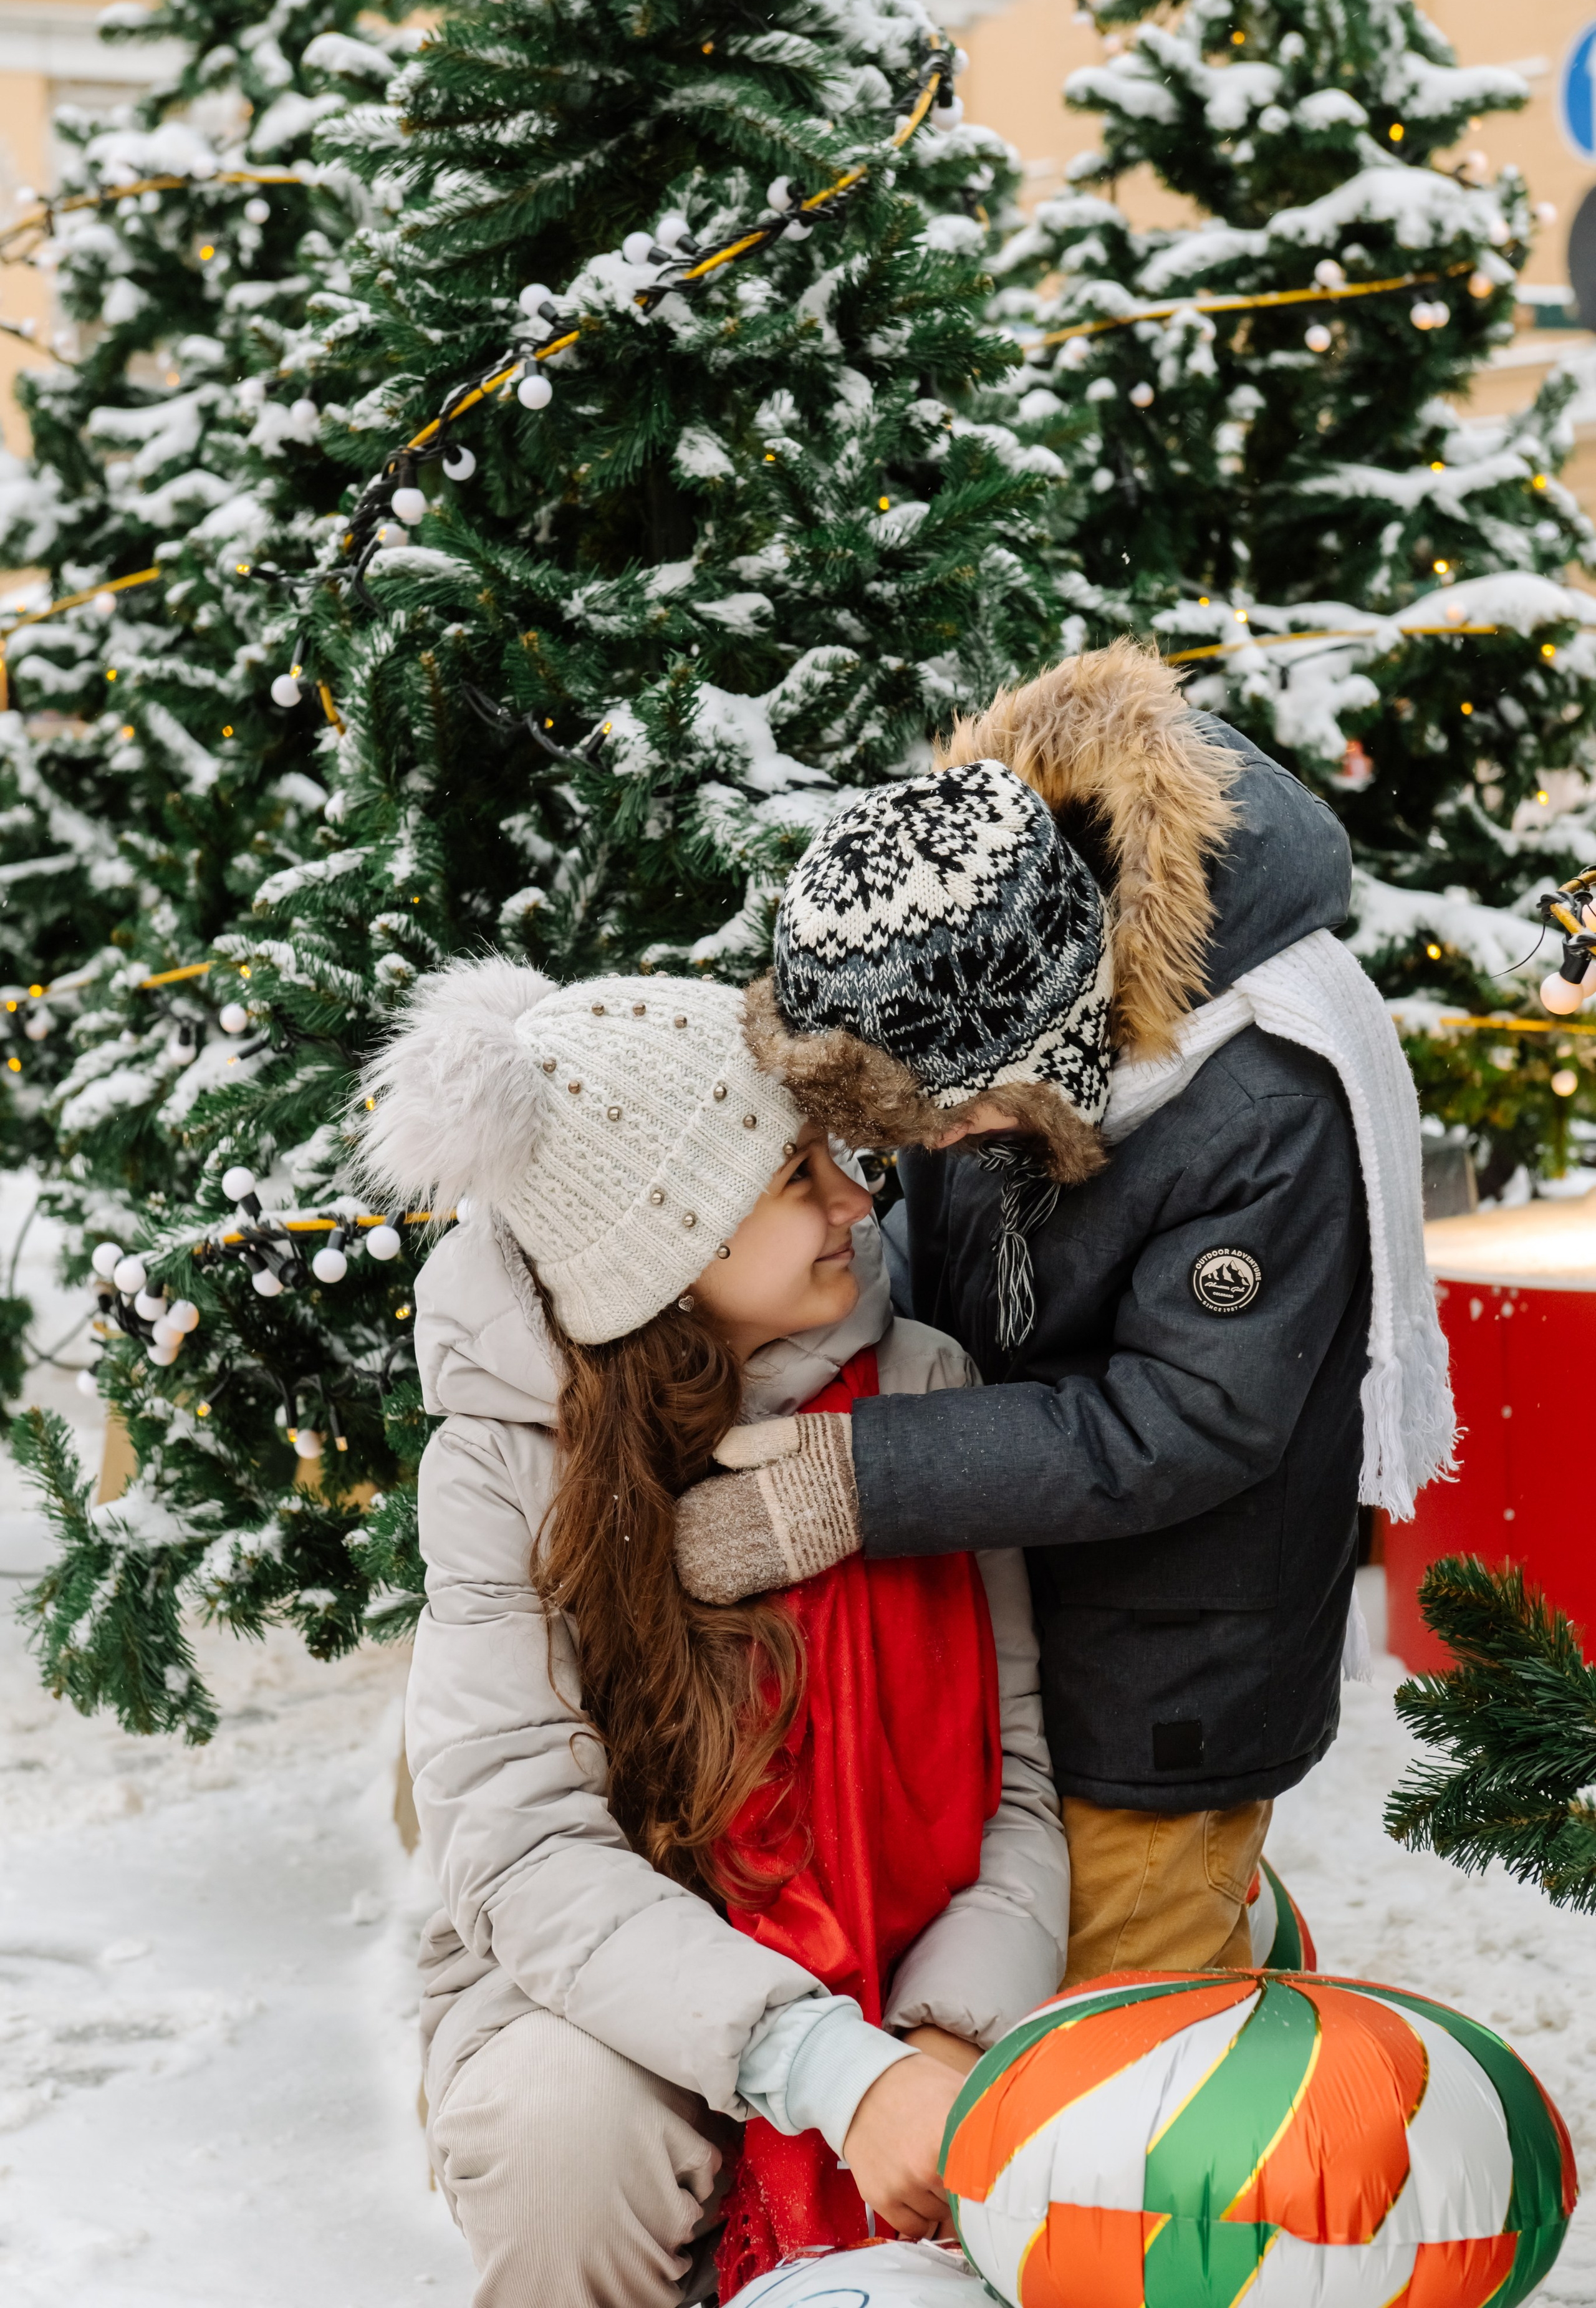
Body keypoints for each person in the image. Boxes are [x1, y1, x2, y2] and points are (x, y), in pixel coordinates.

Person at [674, 640, 1454, 2203]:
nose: (931, 1154)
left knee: (1108, 2088)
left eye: (955, 1121)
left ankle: (1197, 2213)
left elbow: (1186, 1419)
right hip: (1035, 1613)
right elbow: (959, 1243)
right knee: (1079, 1970)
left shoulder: (1256, 1103)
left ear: (1055, 1046)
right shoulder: (999, 993)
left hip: (1170, 1662)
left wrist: (859, 1472)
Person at [355, 959, 1069, 2308]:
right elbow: (518, 1845)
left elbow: (1015, 1778)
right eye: (799, 1176)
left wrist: (939, 2039)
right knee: (560, 2131)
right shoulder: (507, 1465)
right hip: (592, 1987)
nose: (859, 1201)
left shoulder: (920, 1390)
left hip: (915, 1970)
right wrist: (822, 2066)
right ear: (662, 1241)